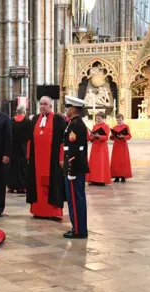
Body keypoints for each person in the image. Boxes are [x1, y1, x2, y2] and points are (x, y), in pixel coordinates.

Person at [26, 96, 66, 219]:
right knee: (37, 185)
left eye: (45, 104)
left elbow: (62, 140)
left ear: (50, 106)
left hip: (52, 160)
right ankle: (38, 211)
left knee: (52, 185)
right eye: (41, 104)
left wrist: (61, 157)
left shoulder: (58, 119)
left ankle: (52, 212)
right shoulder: (36, 118)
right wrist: (28, 156)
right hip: (37, 160)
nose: (42, 106)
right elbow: (30, 140)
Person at [63, 96, 90, 239]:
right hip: (74, 166)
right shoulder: (74, 123)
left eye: (68, 107)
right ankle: (77, 227)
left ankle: (79, 230)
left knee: (75, 199)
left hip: (74, 167)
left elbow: (74, 149)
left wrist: (70, 169)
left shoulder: (75, 125)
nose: (66, 110)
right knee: (75, 198)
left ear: (73, 109)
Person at [7, 105, 30, 194]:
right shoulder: (27, 122)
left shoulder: (11, 121)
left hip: (12, 147)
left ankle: (11, 186)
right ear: (24, 111)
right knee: (22, 166)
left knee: (12, 166)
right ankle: (22, 186)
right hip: (23, 147)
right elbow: (29, 136)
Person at [86, 112, 111, 186]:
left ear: (103, 118)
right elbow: (91, 137)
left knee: (101, 164)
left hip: (102, 147)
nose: (98, 120)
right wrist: (92, 137)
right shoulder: (94, 126)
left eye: (99, 118)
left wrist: (99, 136)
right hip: (95, 146)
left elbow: (106, 138)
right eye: (97, 118)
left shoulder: (106, 126)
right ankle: (93, 179)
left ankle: (101, 180)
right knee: (93, 164)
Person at [110, 114, 132, 183]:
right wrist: (112, 136)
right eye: (117, 120)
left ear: (123, 119)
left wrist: (123, 136)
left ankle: (123, 176)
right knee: (116, 161)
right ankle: (116, 176)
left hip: (123, 146)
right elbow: (111, 138)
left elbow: (129, 136)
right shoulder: (114, 127)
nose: (118, 121)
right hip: (116, 145)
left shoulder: (126, 126)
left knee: (123, 161)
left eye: (120, 120)